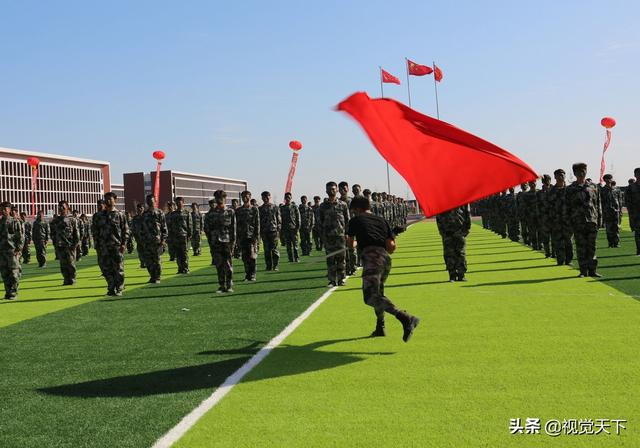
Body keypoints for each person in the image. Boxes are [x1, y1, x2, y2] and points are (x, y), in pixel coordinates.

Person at [346, 196, 420, 341]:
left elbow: (350, 245)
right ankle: (380, 327)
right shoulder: (382, 221)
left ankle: (405, 317)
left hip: (371, 258)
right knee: (378, 294)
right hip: (385, 259)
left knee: (370, 296)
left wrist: (352, 243)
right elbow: (392, 248)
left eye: (353, 210)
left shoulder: (355, 220)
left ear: (357, 209)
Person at [565, 163, 602, 277]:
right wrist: (569, 222)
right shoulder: (570, 189)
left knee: (592, 246)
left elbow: (598, 204)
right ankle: (582, 271)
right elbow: (567, 207)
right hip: (577, 222)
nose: (582, 173)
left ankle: (592, 270)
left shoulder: (593, 186)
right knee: (581, 247)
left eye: (584, 170)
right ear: (575, 173)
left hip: (591, 221)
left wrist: (600, 219)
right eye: (579, 171)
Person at [94, 192, 129, 296]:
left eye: (110, 199)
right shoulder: (98, 216)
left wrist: (124, 244)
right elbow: (95, 231)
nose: (107, 201)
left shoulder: (120, 215)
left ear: (115, 200)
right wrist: (97, 244)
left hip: (116, 246)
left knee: (118, 268)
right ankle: (111, 287)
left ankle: (119, 288)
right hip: (103, 247)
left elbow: (125, 230)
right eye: (106, 199)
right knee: (105, 268)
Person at [319, 181, 350, 287]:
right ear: (326, 191)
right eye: (329, 189)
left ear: (337, 190)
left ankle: (341, 279)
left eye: (333, 188)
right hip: (328, 237)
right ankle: (332, 280)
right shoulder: (322, 206)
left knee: (341, 258)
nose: (331, 190)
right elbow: (319, 222)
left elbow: (347, 220)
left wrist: (347, 233)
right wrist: (322, 236)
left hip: (341, 236)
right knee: (330, 259)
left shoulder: (343, 204)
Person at [205, 190, 236, 293]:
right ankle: (221, 285)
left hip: (227, 241)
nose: (219, 200)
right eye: (217, 198)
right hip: (215, 242)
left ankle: (229, 284)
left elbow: (233, 229)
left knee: (228, 264)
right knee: (219, 264)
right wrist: (210, 241)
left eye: (221, 198)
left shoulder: (230, 212)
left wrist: (233, 243)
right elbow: (207, 229)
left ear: (225, 198)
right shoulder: (210, 214)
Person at [436, 205, 471, 282]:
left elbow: (467, 214)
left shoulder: (462, 200)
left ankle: (461, 275)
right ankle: (452, 275)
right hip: (447, 232)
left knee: (461, 253)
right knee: (449, 254)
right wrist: (442, 232)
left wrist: (467, 228)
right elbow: (438, 217)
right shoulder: (442, 202)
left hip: (460, 230)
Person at [51, 200, 80, 285]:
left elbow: (76, 233)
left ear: (67, 207)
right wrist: (55, 242)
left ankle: (72, 278)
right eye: (59, 207)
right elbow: (52, 232)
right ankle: (66, 279)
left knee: (71, 263)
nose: (61, 208)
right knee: (63, 264)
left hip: (70, 245)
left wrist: (75, 244)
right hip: (60, 245)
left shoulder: (72, 219)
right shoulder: (56, 220)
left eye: (63, 207)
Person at [548, 169, 573, 266]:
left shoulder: (570, 190)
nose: (560, 177)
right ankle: (560, 260)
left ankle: (569, 260)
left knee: (568, 241)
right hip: (556, 221)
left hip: (568, 220)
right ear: (555, 177)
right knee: (558, 241)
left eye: (562, 175)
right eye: (558, 175)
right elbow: (547, 207)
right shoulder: (551, 191)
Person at [141, 194, 167, 283]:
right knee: (148, 261)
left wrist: (163, 240)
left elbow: (164, 228)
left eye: (151, 200)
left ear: (155, 201)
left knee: (157, 260)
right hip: (147, 242)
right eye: (148, 201)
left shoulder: (159, 213)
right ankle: (152, 276)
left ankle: (158, 277)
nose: (150, 202)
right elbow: (142, 229)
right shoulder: (144, 215)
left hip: (157, 241)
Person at [0, 201, 24, 300]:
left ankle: (13, 292)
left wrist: (19, 249)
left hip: (12, 251)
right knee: (5, 273)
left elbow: (20, 237)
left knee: (14, 273)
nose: (3, 211)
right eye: (1, 209)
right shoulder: (0, 222)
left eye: (5, 209)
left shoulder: (15, 222)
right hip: (2, 251)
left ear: (9, 210)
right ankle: (8, 292)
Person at [236, 190, 260, 281]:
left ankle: (253, 274)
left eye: (246, 196)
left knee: (252, 256)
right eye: (243, 197)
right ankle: (247, 274)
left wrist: (256, 236)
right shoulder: (238, 210)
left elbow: (257, 224)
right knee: (245, 257)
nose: (245, 198)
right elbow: (236, 224)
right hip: (242, 236)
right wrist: (237, 237)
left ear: (250, 197)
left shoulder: (254, 209)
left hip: (251, 236)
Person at [168, 197, 192, 274]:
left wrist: (190, 234)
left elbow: (190, 224)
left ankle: (186, 268)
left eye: (180, 202)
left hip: (184, 235)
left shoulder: (187, 213)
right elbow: (170, 226)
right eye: (177, 203)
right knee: (178, 253)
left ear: (183, 203)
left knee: (184, 253)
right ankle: (180, 268)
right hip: (175, 236)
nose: (178, 204)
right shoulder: (173, 214)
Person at [259, 191, 281, 271]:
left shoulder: (275, 207)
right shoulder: (260, 209)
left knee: (274, 250)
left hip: (273, 231)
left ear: (270, 197)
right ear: (262, 198)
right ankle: (268, 266)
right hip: (264, 231)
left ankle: (275, 265)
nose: (266, 198)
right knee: (267, 250)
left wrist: (278, 230)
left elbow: (279, 220)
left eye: (267, 196)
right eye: (264, 197)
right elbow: (259, 221)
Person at [600, 174, 621, 248]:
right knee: (609, 228)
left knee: (616, 227)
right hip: (607, 211)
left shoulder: (616, 189)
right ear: (604, 180)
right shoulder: (602, 190)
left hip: (616, 211)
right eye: (607, 179)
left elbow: (619, 200)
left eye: (610, 178)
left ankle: (617, 243)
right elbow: (601, 202)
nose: (609, 180)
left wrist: (620, 210)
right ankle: (610, 243)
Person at [280, 192, 301, 262]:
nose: (287, 199)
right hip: (285, 229)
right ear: (284, 198)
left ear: (291, 198)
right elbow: (280, 219)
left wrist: (297, 227)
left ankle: (297, 258)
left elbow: (298, 218)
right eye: (286, 197)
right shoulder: (282, 208)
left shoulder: (294, 207)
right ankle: (290, 259)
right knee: (288, 245)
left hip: (293, 228)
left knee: (295, 244)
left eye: (289, 197)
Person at [537, 175, 553, 257]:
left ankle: (555, 253)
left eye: (548, 180)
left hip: (554, 217)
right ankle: (548, 252)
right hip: (544, 218)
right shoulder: (539, 193)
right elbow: (538, 206)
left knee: (555, 237)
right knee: (546, 237)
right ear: (542, 182)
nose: (547, 181)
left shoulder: (554, 190)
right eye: (545, 180)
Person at [626, 168, 640, 255]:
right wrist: (631, 214)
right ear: (635, 175)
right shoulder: (630, 188)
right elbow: (628, 202)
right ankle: (639, 249)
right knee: (638, 233)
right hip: (636, 214)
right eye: (638, 174)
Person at [91, 199, 107, 276]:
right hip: (99, 240)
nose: (99, 207)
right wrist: (95, 240)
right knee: (100, 258)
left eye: (101, 205)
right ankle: (103, 271)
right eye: (98, 205)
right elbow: (94, 229)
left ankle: (108, 270)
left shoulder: (107, 214)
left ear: (104, 205)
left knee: (107, 257)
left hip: (107, 240)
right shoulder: (95, 216)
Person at [131, 203, 146, 268]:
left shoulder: (147, 217)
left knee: (147, 251)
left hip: (147, 238)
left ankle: (148, 262)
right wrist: (134, 235)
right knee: (140, 251)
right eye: (138, 208)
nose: (140, 209)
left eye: (141, 208)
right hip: (138, 238)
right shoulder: (135, 218)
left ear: (143, 208)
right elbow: (133, 228)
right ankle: (142, 263)